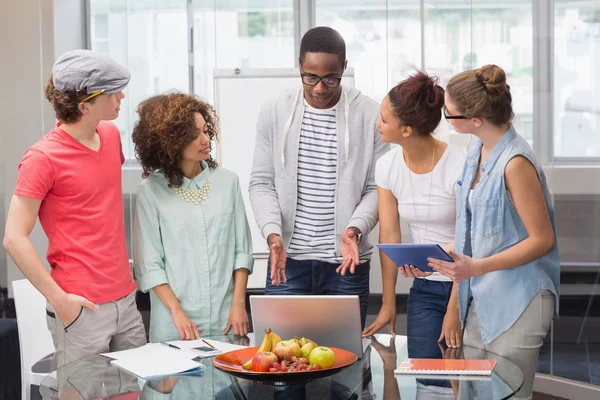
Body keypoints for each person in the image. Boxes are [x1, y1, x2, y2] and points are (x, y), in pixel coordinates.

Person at [3, 49, 146, 369]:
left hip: (126, 300)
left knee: (136, 392)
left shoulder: (110, 136)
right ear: (85, 105)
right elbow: (14, 238)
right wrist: (60, 301)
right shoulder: (41, 158)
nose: (121, 95)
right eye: (113, 91)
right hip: (81, 309)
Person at [428, 64, 560, 399]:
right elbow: (472, 232)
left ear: (475, 119)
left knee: (506, 393)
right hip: (481, 298)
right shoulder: (476, 151)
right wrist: (432, 259)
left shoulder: (515, 163)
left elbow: (542, 240)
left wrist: (474, 267)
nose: (445, 118)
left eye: (449, 113)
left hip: (519, 301)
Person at [248, 26, 388, 329]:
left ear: (344, 69)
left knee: (343, 365)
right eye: (310, 77)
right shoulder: (274, 111)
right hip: (287, 263)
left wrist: (354, 229)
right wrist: (273, 234)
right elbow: (261, 182)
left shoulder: (369, 115)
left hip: (345, 266)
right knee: (282, 366)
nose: (320, 88)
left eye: (331, 78)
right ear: (300, 66)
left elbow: (377, 188)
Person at [132, 93, 254, 343]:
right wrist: (177, 313)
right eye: (193, 135)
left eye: (206, 130)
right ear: (170, 142)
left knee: (227, 382)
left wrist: (239, 304)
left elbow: (242, 250)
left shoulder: (227, 182)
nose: (205, 139)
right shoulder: (151, 190)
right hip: (175, 324)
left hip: (227, 319)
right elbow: (150, 265)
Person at [362, 72, 466, 351]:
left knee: (463, 379)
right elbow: (390, 234)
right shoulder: (387, 166)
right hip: (426, 288)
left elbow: (472, 240)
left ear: (406, 130)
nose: (377, 123)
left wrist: (453, 311)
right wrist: (387, 303)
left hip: (468, 287)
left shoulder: (460, 165)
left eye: (384, 119)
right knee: (424, 378)